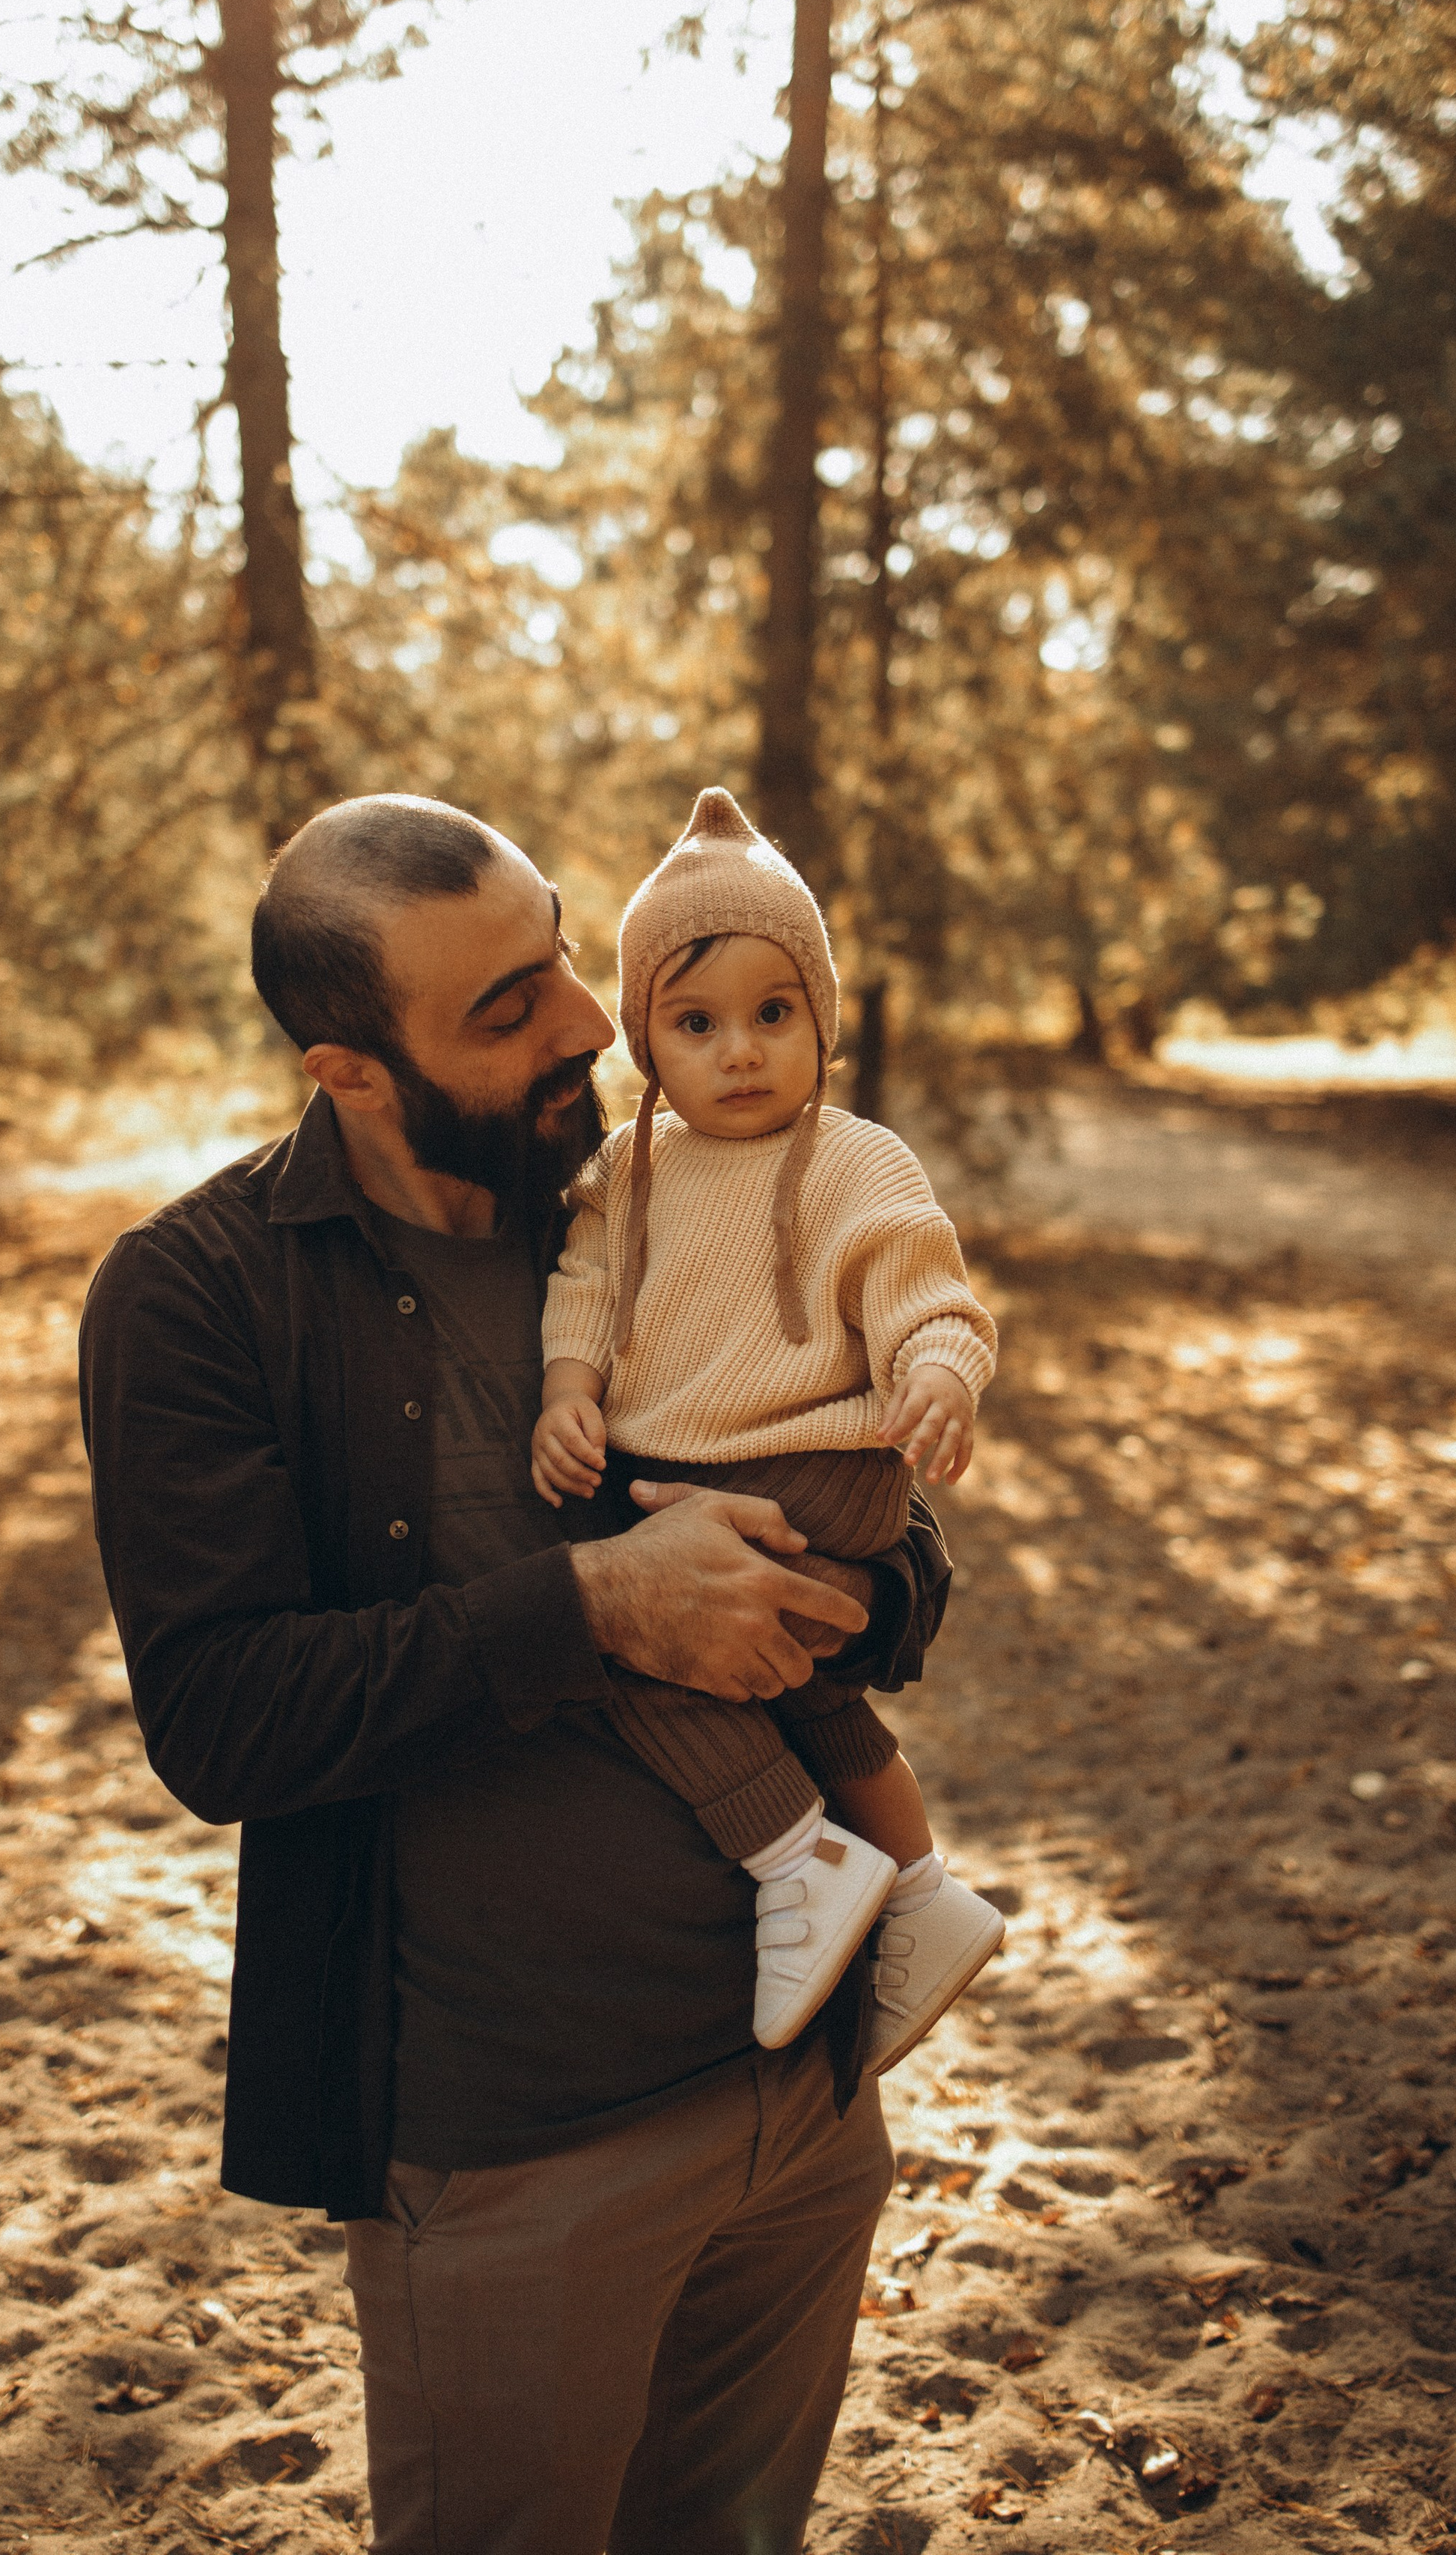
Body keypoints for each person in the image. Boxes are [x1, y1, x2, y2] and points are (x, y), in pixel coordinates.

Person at [79, 794, 959, 2555]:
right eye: (502, 1007)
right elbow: (223, 1718)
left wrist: (839, 1586)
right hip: (513, 2158)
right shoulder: (201, 1298)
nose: (579, 1019)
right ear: (346, 1069)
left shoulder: (649, 1197)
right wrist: (600, 1612)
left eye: (556, 949)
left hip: (803, 2098)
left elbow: (906, 1591)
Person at [531, 789, 1006, 2068]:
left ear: (820, 1022)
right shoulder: (628, 1174)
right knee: (798, 1684)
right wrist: (572, 1389)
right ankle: (919, 1890)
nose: (740, 1051)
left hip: (819, 1463)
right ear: (645, 1041)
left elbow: (925, 1289)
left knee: (638, 1648)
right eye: (697, 1023)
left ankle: (799, 1858)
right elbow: (580, 1285)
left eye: (772, 1014)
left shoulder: (855, 1160)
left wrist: (942, 1375)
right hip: (689, 1462)